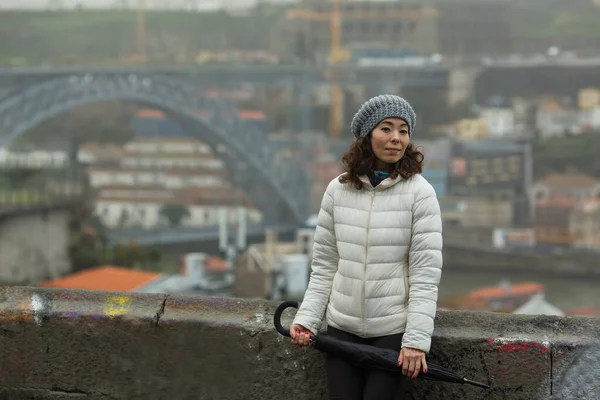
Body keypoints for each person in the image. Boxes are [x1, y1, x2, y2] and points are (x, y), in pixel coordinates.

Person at [289, 94, 443, 400]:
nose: (396, 138)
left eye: (403, 130)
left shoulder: (421, 194)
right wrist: (307, 319)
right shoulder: (337, 190)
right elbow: (324, 266)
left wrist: (415, 341)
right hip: (341, 330)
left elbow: (425, 276)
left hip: (391, 334)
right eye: (386, 128)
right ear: (367, 134)